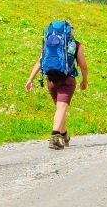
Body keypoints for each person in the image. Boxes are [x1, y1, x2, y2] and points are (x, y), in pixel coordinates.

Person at [25, 22, 88, 150]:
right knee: (61, 108)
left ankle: (64, 135)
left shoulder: (50, 44)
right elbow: (84, 66)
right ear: (70, 30)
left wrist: (30, 79)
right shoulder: (76, 44)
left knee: (60, 109)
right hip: (67, 80)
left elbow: (40, 61)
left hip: (51, 80)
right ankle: (54, 137)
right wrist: (84, 80)